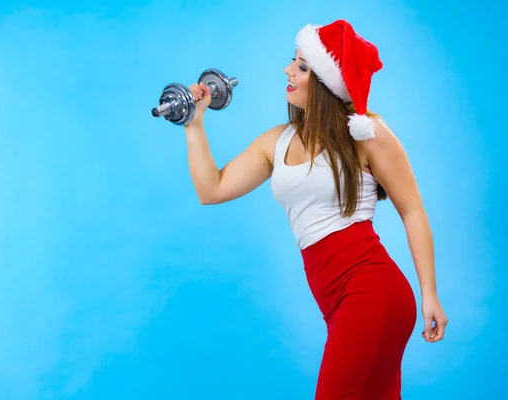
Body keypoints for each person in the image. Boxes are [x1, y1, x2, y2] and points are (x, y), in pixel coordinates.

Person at [182, 19, 448, 399]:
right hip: (335, 302)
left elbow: (413, 211)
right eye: (294, 60)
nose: (289, 70)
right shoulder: (276, 141)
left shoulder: (367, 136)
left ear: (326, 84)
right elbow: (212, 189)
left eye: (303, 66)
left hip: (371, 293)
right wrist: (195, 124)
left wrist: (430, 293)